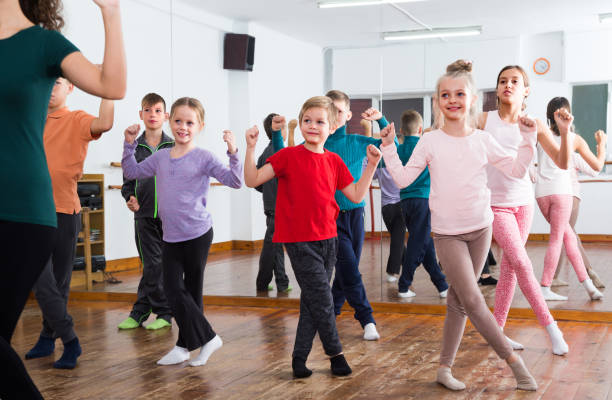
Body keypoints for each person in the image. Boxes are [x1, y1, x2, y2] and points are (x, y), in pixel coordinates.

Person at [380, 60, 538, 391]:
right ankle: (515, 364)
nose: (452, 100)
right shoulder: (429, 141)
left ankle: (444, 368)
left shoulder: (482, 139)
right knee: (474, 300)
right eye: (445, 94)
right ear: (437, 101)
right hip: (448, 234)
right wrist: (389, 148)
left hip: (481, 229)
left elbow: (518, 170)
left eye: (459, 94)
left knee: (457, 300)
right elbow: (403, 177)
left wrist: (528, 138)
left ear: (473, 99)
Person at [0, 0, 126, 396]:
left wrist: (111, 11)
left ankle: (64, 338)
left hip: (22, 210)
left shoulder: (44, 44)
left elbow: (112, 86)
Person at [244, 96, 382, 378]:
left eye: (320, 122)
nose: (312, 126)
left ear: (332, 127)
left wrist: (370, 166)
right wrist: (249, 148)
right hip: (297, 240)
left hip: (328, 239)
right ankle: (336, 354)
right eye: (307, 120)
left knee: (312, 300)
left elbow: (355, 195)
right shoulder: (287, 156)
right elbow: (252, 179)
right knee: (323, 298)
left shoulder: (334, 160)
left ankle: (298, 358)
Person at [122, 97, 243, 366]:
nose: (183, 127)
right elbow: (131, 170)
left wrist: (234, 151)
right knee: (174, 290)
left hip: (198, 234)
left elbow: (235, 181)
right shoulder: (161, 157)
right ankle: (203, 340)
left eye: (189, 122)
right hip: (171, 236)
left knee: (191, 292)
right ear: (170, 121)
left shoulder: (204, 157)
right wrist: (129, 143)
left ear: (200, 125)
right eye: (178, 121)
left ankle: (187, 345)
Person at [478, 65, 568, 355]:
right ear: (497, 88)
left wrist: (565, 133)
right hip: (495, 206)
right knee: (522, 263)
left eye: (515, 81)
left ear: (526, 90)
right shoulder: (483, 119)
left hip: (523, 203)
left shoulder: (534, 123)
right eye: (503, 80)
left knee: (509, 270)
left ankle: (498, 333)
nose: (508, 85)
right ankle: (551, 327)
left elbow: (562, 162)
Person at [24, 77, 113, 370]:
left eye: (58, 82)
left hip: (65, 211)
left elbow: (105, 122)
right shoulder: (29, 118)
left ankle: (48, 338)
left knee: (59, 283)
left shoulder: (76, 119)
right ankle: (71, 339)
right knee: (42, 280)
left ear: (70, 87)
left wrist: (106, 88)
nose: (51, 86)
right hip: (31, 214)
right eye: (46, 81)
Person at [324, 90, 391, 340]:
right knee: (349, 268)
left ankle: (328, 313)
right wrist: (277, 133)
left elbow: (388, 148)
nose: (332, 115)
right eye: (328, 109)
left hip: (355, 215)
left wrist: (381, 121)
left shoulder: (355, 142)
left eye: (338, 111)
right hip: (330, 219)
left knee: (345, 272)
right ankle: (367, 319)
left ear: (348, 115)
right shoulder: (318, 146)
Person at [535, 97, 605, 301]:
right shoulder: (573, 138)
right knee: (560, 239)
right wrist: (602, 145)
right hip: (562, 193)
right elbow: (597, 167)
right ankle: (545, 285)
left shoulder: (541, 134)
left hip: (541, 194)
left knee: (568, 238)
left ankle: (589, 285)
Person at [118, 93, 174, 330]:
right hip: (143, 217)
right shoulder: (134, 146)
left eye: (158, 110)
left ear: (166, 116)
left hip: (170, 218)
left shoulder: (174, 146)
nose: (153, 115)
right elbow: (127, 181)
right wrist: (129, 197)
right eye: (148, 110)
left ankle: (142, 311)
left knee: (157, 265)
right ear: (141, 114)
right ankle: (162, 312)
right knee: (152, 264)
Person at [390, 109, 448, 298]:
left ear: (401, 130)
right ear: (421, 129)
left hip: (405, 202)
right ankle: (404, 285)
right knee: (417, 242)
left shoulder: (399, 149)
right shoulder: (425, 146)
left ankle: (442, 285)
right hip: (423, 200)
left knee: (424, 242)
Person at [552, 152, 605, 288]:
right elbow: (594, 171)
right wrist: (600, 148)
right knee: (569, 235)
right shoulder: (573, 154)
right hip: (573, 195)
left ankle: (587, 272)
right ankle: (588, 271)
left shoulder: (550, 151)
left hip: (558, 195)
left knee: (566, 236)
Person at [254, 113, 291, 293]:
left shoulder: (264, 153)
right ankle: (263, 283)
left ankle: (281, 282)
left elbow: (257, 183)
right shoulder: (280, 152)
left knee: (275, 245)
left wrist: (268, 193)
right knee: (272, 245)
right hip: (278, 207)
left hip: (271, 206)